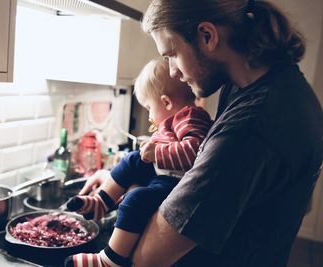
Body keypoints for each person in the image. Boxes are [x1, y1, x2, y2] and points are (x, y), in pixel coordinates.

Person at [123, 0, 322, 267]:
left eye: (171, 54)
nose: (173, 72)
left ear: (207, 36)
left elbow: (148, 257)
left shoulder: (251, 127)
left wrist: (131, 189)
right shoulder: (265, 84)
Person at [64, 58, 213, 267]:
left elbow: (194, 152)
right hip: (166, 174)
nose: (150, 115)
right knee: (132, 159)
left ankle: (110, 260)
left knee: (136, 199)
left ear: (167, 102)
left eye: (149, 108)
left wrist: (157, 151)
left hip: (175, 184)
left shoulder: (190, 116)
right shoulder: (178, 118)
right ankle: (101, 202)